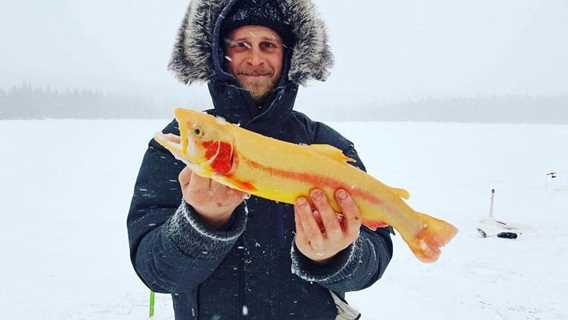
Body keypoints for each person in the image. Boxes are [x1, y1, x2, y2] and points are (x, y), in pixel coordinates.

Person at [127, 0, 394, 319]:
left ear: (288, 54)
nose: (255, 59)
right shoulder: (183, 146)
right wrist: (199, 225)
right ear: (219, 54)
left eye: (267, 45)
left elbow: (375, 252)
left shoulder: (327, 145)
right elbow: (155, 271)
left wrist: (335, 255)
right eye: (241, 45)